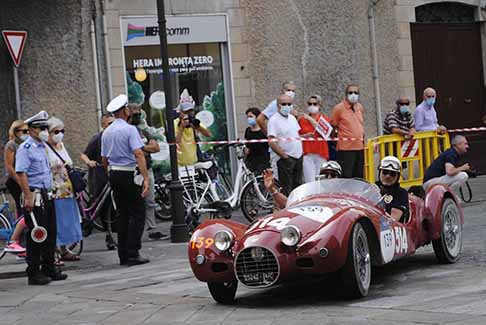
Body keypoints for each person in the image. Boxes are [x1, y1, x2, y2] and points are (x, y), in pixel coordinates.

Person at [15, 111, 67, 285]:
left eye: (46, 127)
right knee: (37, 234)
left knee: (50, 232)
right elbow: (21, 173)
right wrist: (28, 196)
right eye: (41, 128)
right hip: (34, 194)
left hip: (47, 193)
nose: (45, 131)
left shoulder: (42, 146)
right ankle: (33, 271)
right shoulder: (26, 148)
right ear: (31, 130)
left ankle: (49, 267)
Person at [101, 94, 150, 267]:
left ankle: (123, 253)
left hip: (114, 173)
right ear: (124, 111)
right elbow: (138, 153)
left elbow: (104, 159)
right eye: (128, 108)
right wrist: (145, 177)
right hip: (129, 173)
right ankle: (133, 252)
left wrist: (109, 172)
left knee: (121, 214)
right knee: (138, 213)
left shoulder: (107, 132)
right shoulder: (130, 130)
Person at [128, 104, 168, 240]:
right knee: (134, 202)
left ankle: (152, 229)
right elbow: (131, 150)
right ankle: (134, 230)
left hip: (147, 167)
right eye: (135, 114)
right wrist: (143, 149)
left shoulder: (143, 129)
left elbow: (155, 147)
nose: (137, 116)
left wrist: (140, 148)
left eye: (139, 113)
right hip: (133, 169)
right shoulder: (127, 130)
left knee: (150, 201)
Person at [45, 117, 83, 263]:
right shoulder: (44, 148)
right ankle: (54, 251)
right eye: (56, 131)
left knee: (67, 221)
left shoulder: (61, 145)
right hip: (54, 191)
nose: (59, 134)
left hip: (67, 190)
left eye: (62, 131)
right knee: (56, 222)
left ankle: (64, 249)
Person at [80, 113, 117, 250]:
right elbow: (84, 155)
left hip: (113, 174)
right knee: (101, 204)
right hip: (99, 176)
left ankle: (113, 233)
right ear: (103, 125)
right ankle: (107, 234)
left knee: (113, 206)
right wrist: (89, 162)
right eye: (109, 124)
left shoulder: (118, 137)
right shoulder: (97, 138)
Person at [263, 160, 342, 209]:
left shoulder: (344, 196)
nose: (328, 177)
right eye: (325, 174)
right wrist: (272, 189)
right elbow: (289, 204)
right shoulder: (313, 193)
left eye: (333, 175)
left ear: (339, 178)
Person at [267, 94, 303, 196]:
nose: (287, 106)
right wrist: (284, 156)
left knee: (298, 188)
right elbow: (271, 141)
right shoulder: (274, 120)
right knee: (286, 190)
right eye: (284, 104)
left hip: (298, 157)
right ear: (278, 105)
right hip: (286, 159)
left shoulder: (292, 118)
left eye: (289, 104)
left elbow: (296, 134)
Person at [3, 120, 28, 254]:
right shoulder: (11, 145)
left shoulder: (25, 145)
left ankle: (22, 243)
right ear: (16, 132)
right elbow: (10, 167)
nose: (26, 133)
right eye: (23, 131)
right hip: (15, 181)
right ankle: (17, 242)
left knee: (24, 211)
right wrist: (20, 182)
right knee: (23, 210)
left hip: (23, 179)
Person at [331, 84, 366, 179]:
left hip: (359, 147)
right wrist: (336, 141)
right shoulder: (339, 108)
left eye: (356, 92)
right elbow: (333, 126)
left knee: (359, 175)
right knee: (347, 176)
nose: (353, 94)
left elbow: (360, 125)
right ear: (346, 94)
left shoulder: (360, 107)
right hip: (346, 148)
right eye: (350, 92)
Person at [298, 95, 331, 183]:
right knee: (309, 180)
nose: (312, 106)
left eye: (315, 104)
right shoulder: (302, 120)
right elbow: (297, 136)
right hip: (307, 154)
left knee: (321, 180)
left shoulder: (324, 119)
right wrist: (305, 136)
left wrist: (309, 119)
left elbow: (324, 132)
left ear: (320, 105)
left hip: (321, 153)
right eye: (310, 103)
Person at [174, 99, 212, 166]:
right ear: (180, 113)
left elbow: (209, 134)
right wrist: (182, 127)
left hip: (194, 162)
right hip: (179, 164)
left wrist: (197, 127)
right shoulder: (175, 123)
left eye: (190, 112)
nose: (188, 114)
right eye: (186, 112)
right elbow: (176, 142)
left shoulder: (194, 122)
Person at [375, 156, 409, 222]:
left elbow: (393, 220)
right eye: (385, 172)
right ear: (380, 172)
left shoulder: (401, 193)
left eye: (392, 174)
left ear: (398, 176)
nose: (388, 176)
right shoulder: (371, 189)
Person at [244, 107, 269, 175]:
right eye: (248, 117)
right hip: (251, 161)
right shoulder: (248, 130)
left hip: (262, 160)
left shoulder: (263, 130)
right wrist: (245, 149)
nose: (249, 119)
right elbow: (247, 145)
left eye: (251, 116)